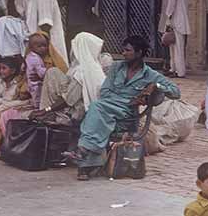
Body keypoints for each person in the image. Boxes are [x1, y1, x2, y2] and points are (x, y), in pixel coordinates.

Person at [65, 35, 180, 179]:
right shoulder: (116, 67)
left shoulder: (149, 75)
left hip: (127, 115)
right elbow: (105, 91)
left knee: (96, 108)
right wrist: (124, 101)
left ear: (139, 52)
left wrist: (155, 85)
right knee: (99, 111)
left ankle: (84, 153)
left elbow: (176, 92)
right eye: (123, 50)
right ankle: (86, 158)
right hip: (110, 108)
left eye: (127, 50)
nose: (123, 53)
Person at [32, 32, 104, 127]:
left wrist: (46, 110)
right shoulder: (96, 69)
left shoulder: (82, 72)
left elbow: (68, 100)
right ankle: (49, 113)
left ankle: (52, 115)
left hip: (78, 112)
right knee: (53, 72)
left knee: (52, 72)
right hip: (83, 107)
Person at [14, 0, 67, 64]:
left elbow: (45, 27)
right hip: (33, 47)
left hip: (46, 48)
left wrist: (43, 55)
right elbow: (17, 14)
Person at [162, 0, 190, 78]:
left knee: (176, 48)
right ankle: (173, 69)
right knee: (176, 46)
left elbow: (170, 7)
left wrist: (167, 21)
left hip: (175, 21)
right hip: (183, 21)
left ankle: (179, 71)